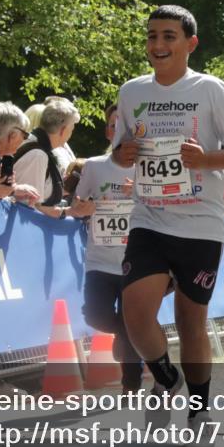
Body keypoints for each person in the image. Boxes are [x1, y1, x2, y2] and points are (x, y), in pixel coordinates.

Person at [112, 5, 224, 444]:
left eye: (169, 36)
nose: (158, 45)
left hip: (199, 222)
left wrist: (207, 159)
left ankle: (199, 409)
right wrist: (126, 154)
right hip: (149, 218)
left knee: (191, 320)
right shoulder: (131, 92)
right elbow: (120, 152)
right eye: (153, 36)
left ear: (190, 43)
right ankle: (165, 376)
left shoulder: (210, 88)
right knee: (134, 312)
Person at [76, 103, 143, 394]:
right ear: (108, 131)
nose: (120, 131)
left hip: (136, 260)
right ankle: (125, 332)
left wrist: (139, 192)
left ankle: (132, 384)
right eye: (114, 125)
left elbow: (168, 206)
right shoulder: (93, 166)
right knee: (96, 316)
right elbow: (76, 207)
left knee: (132, 321)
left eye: (125, 125)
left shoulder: (149, 168)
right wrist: (85, 207)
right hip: (100, 260)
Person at [12, 97, 93, 220]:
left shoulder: (36, 146)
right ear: (63, 130)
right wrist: (71, 211)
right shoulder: (38, 155)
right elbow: (30, 208)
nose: (70, 136)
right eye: (71, 130)